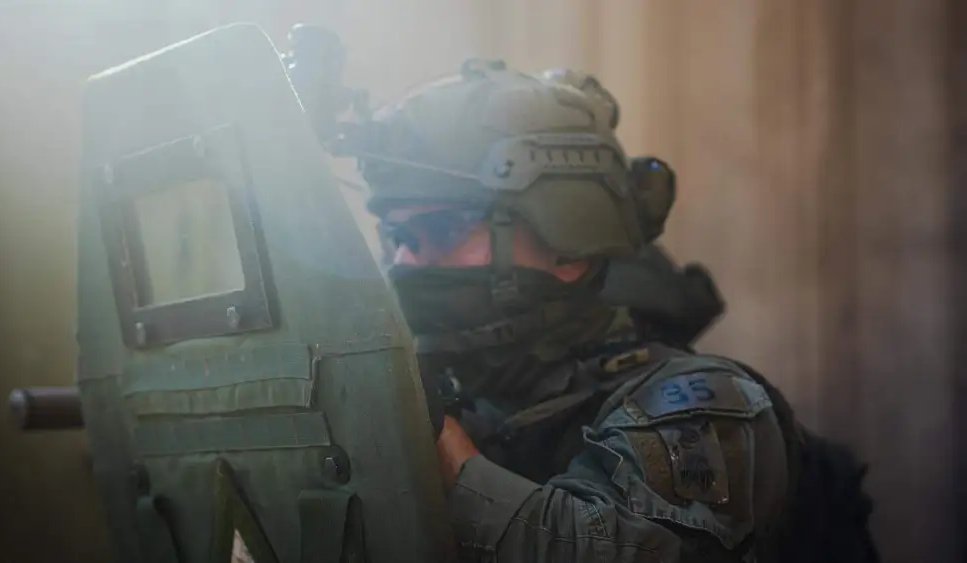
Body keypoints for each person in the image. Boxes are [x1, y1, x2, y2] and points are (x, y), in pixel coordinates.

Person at [354, 60, 839, 562]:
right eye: (400, 237)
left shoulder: (704, 406)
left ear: (568, 244)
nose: (408, 261)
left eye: (447, 229)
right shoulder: (461, 391)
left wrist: (435, 450)